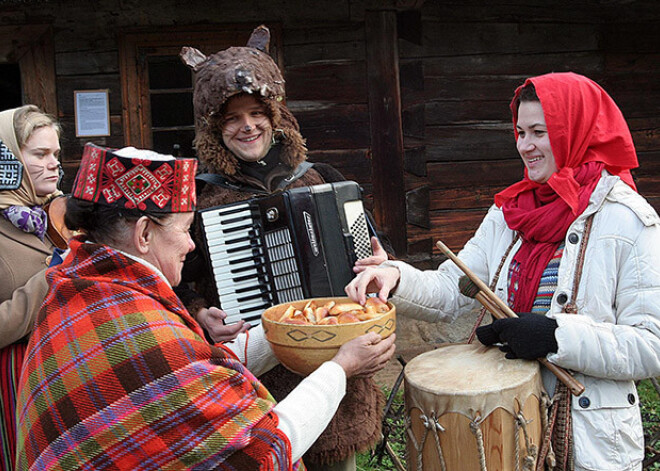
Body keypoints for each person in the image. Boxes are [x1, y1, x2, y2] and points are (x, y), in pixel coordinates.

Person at [346, 72, 660, 471]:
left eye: (539, 132)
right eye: (520, 131)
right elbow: (453, 286)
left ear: (573, 131)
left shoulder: (628, 220)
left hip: (590, 441)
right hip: (506, 428)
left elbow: (652, 344)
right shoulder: (510, 212)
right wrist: (396, 276)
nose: (525, 146)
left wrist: (555, 336)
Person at [14, 143, 396, 471]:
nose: (191, 245)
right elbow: (262, 449)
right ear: (145, 234)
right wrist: (340, 368)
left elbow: (196, 366)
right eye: (183, 229)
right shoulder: (145, 331)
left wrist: (297, 330)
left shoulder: (76, 291)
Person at [176, 25, 389, 470]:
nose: (247, 126)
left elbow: (373, 253)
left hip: (333, 363)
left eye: (256, 112)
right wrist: (197, 311)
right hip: (253, 372)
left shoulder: (323, 178)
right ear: (215, 128)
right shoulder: (200, 198)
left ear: (275, 116)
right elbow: (175, 280)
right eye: (232, 118)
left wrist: (378, 263)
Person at [0, 105, 62, 471]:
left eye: (55, 153)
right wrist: (51, 275)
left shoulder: (56, 215)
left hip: (62, 376)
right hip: (13, 389)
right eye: (40, 154)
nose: (54, 163)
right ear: (8, 160)